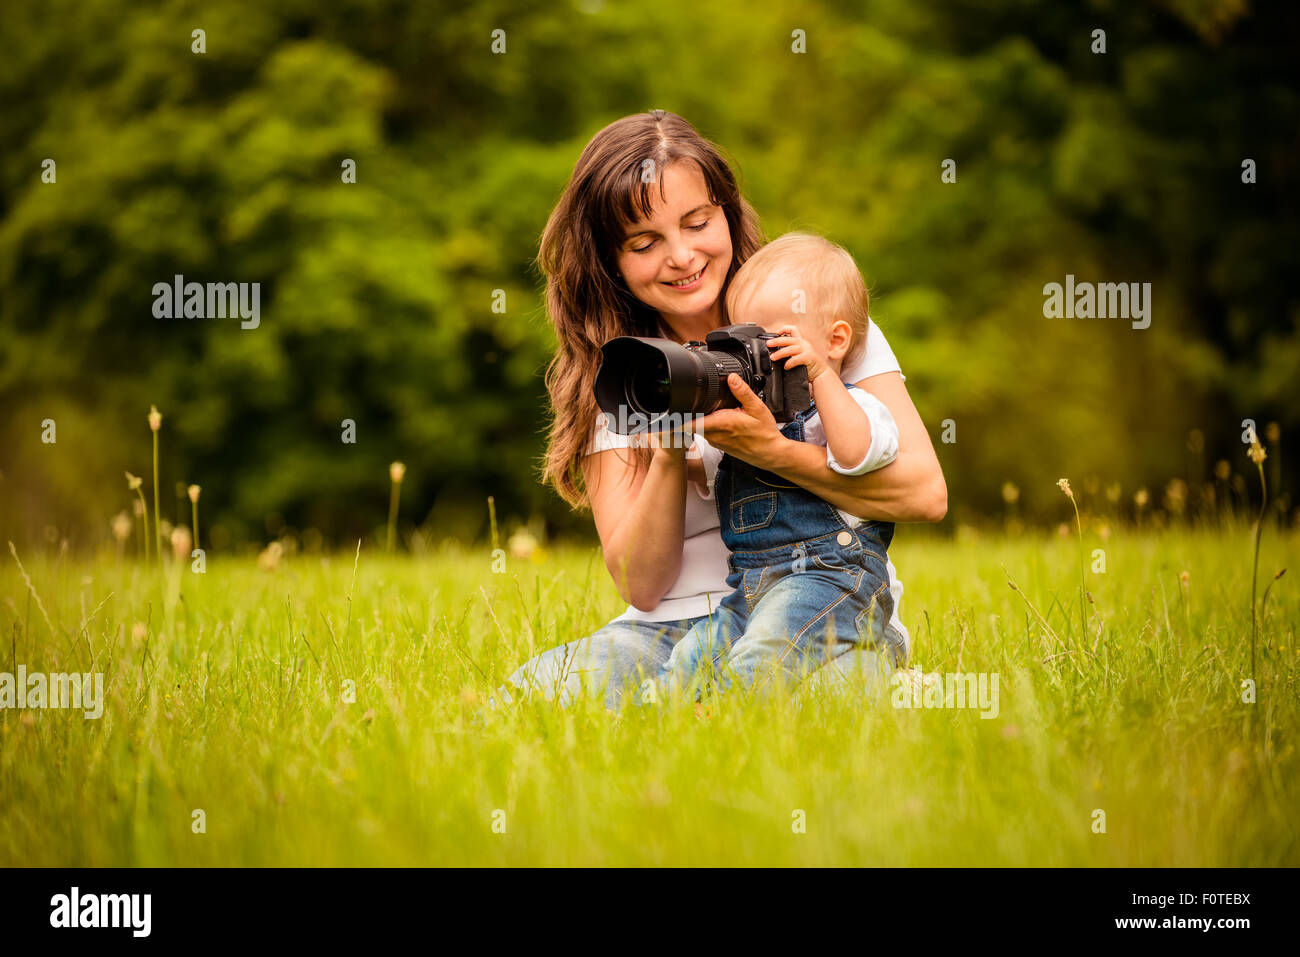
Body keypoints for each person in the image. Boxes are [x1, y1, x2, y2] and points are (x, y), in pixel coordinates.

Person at [496, 110, 946, 709]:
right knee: (535, 696)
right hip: (672, 629)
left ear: (727, 212)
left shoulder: (811, 319)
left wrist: (776, 453)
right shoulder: (623, 375)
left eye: (697, 222)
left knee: (826, 697)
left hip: (818, 603)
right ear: (613, 261)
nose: (681, 256)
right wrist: (665, 454)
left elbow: (924, 495)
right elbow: (642, 585)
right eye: (645, 242)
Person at [656, 232, 903, 699]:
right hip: (750, 586)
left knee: (759, 658)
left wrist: (819, 376)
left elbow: (854, 454)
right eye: (741, 342)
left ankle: (725, 726)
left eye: (772, 341)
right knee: (690, 660)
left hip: (831, 579)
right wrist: (677, 425)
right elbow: (701, 471)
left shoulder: (857, 407)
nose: (756, 357)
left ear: (834, 340)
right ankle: (660, 728)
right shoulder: (748, 423)